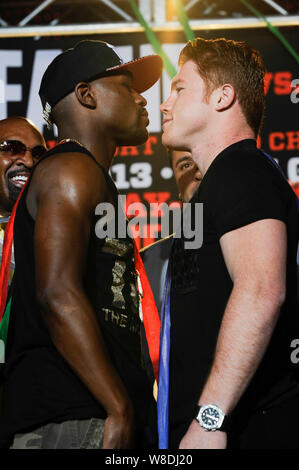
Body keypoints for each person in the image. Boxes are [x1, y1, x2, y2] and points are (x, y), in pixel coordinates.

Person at [0, 40, 162, 449]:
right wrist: (118, 408)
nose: (142, 99)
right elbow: (57, 293)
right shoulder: (71, 169)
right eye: (127, 86)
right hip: (75, 420)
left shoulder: (83, 173)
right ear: (87, 95)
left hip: (90, 415)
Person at [160, 37, 299, 449]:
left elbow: (261, 289)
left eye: (179, 89)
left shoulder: (241, 170)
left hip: (248, 429)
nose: (164, 105)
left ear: (222, 97)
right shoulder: (228, 177)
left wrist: (209, 420)